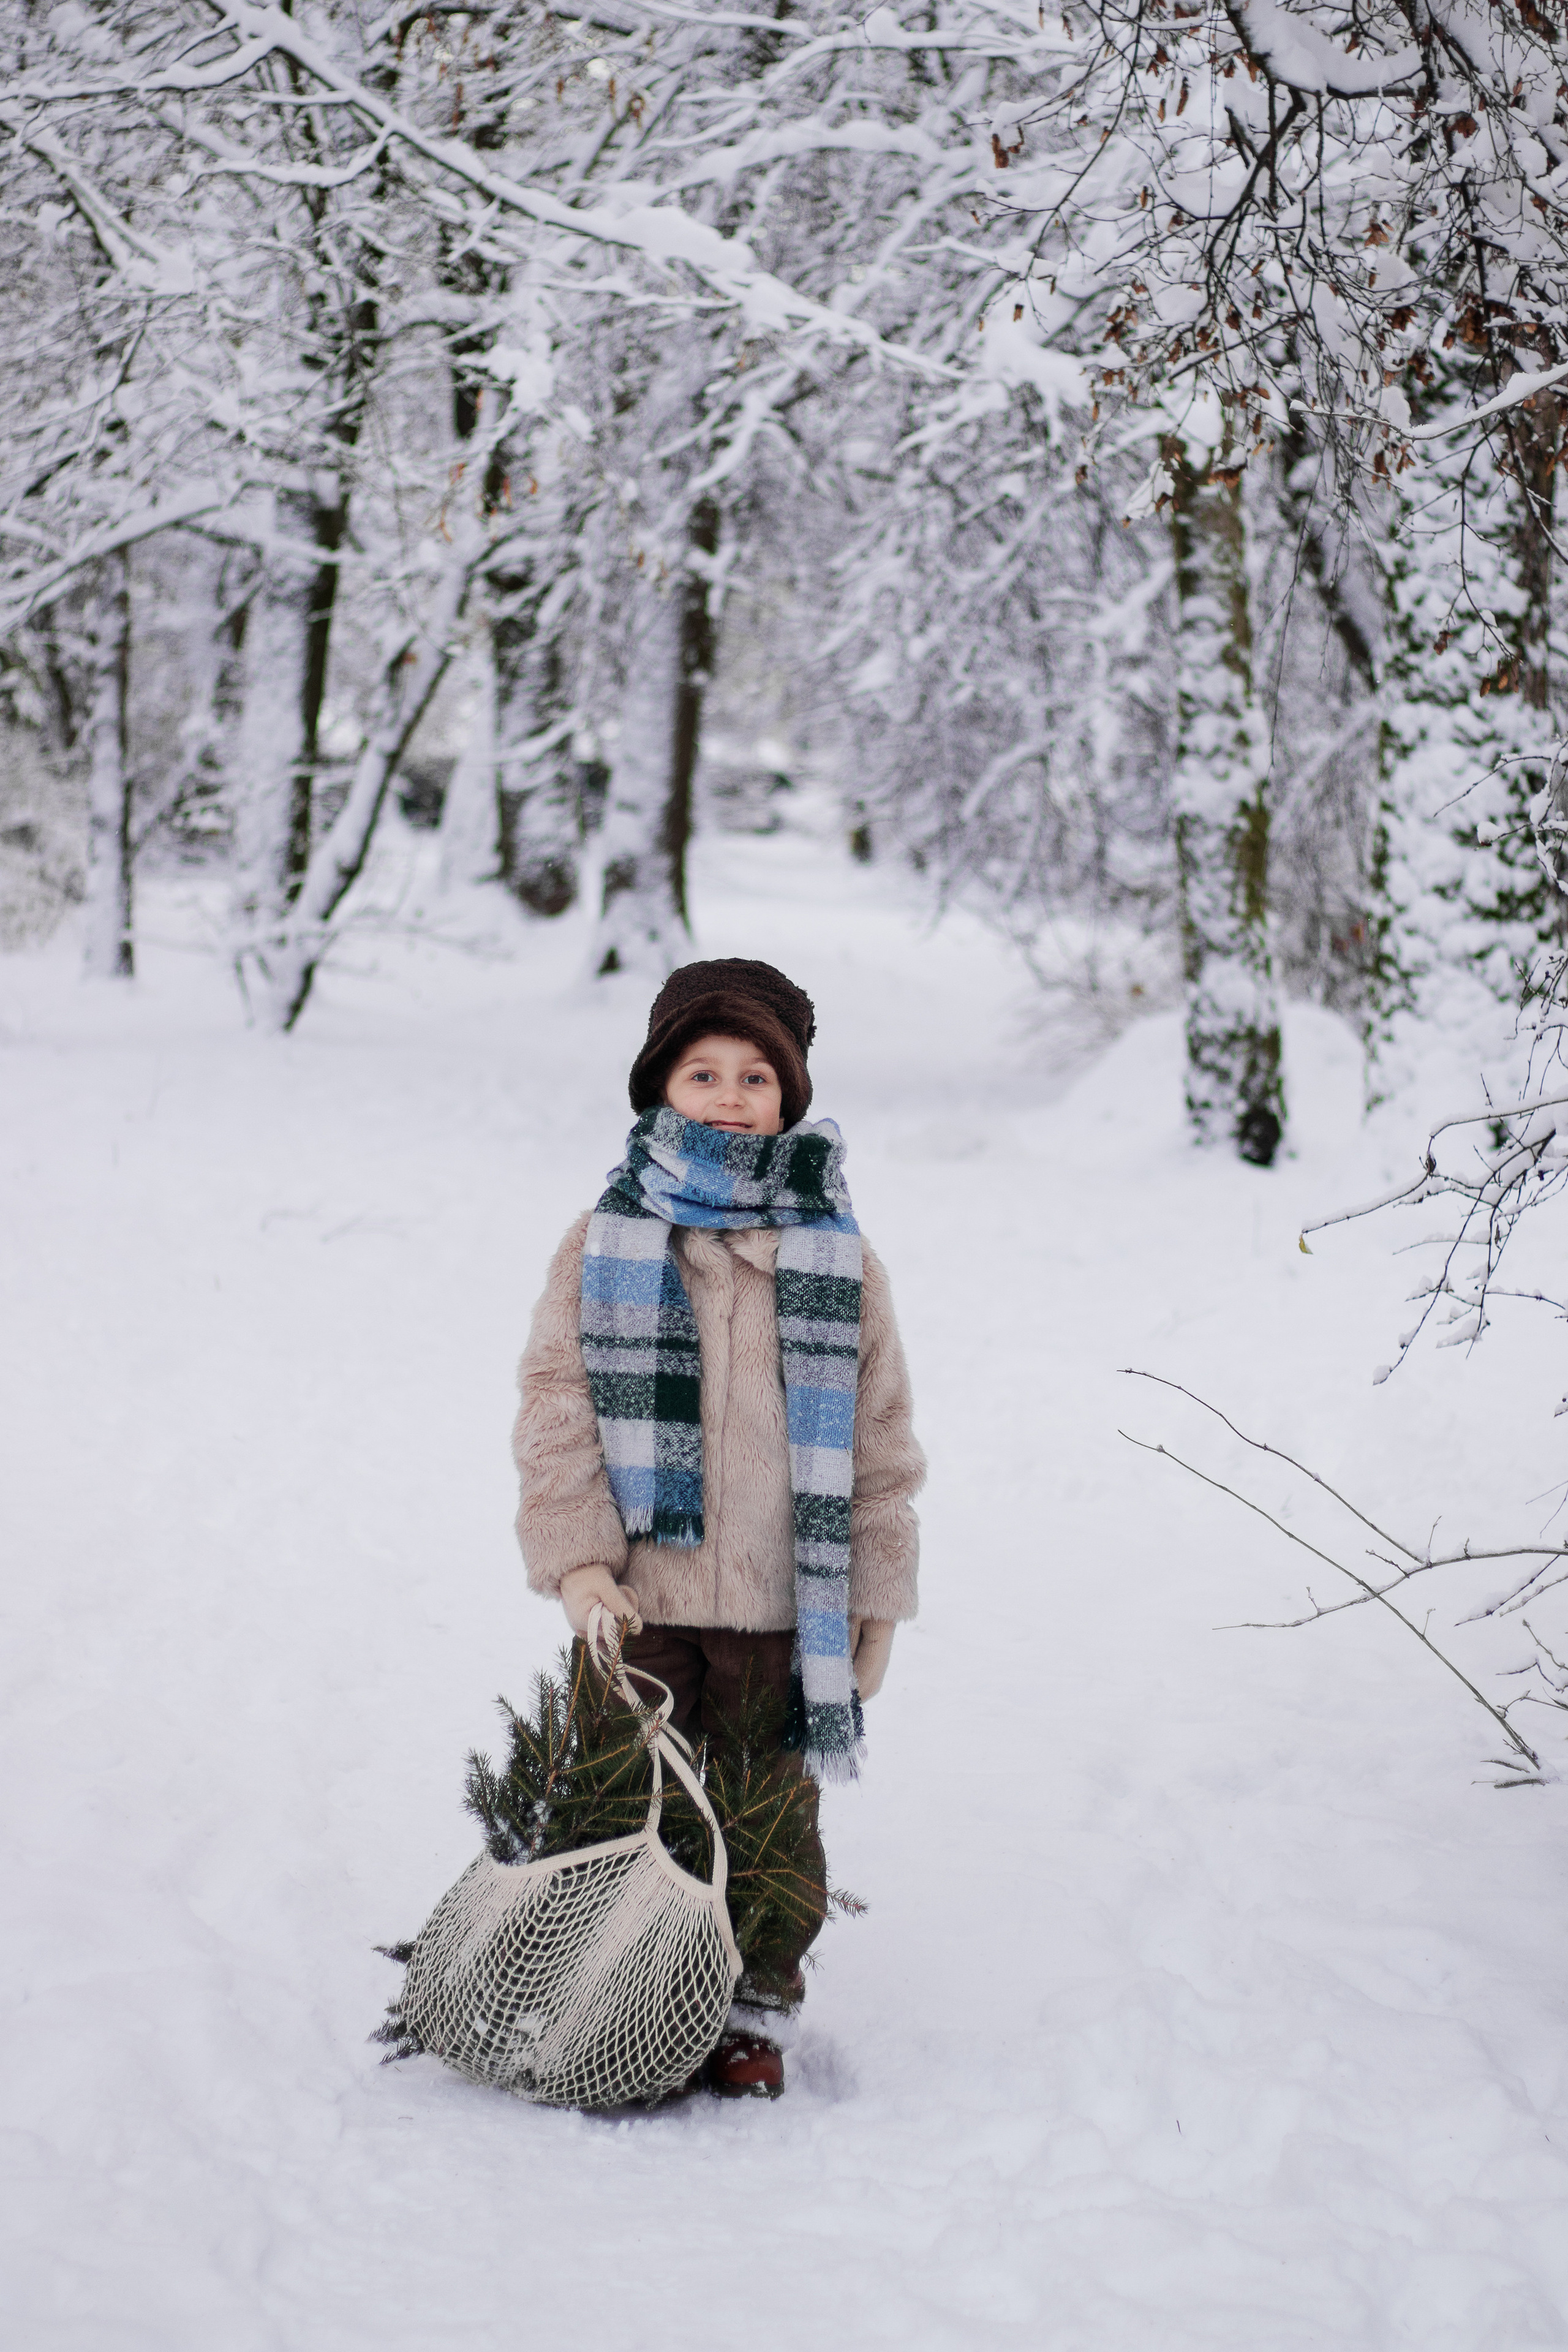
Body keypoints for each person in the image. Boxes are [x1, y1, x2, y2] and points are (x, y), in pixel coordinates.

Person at [511, 957, 924, 2098]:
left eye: (756, 1075)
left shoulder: (838, 1254)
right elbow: (558, 1403)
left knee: (769, 1819)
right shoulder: (608, 1238)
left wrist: (879, 1593)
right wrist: (581, 1562)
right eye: (704, 1073)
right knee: (620, 1800)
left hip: (789, 1608)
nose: (732, 1095)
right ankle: (611, 1992)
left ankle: (748, 2009)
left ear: (788, 1095)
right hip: (643, 1598)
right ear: (660, 1091)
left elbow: (879, 1434)